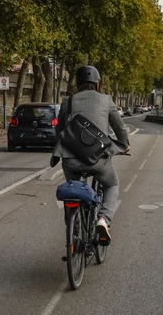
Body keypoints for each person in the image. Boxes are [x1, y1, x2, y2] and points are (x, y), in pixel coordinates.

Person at [52, 66, 129, 245]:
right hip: (97, 159)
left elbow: (60, 130)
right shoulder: (106, 100)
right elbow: (119, 127)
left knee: (74, 190)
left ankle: (74, 235)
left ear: (78, 84)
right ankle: (103, 219)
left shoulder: (67, 102)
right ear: (97, 84)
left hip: (70, 159)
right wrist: (124, 144)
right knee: (111, 184)